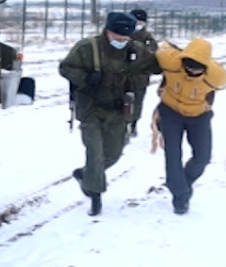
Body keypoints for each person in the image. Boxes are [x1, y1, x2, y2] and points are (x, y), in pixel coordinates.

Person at [59, 11, 159, 216]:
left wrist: (178, 61)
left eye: (125, 39)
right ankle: (95, 196)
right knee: (95, 152)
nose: (121, 42)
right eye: (117, 38)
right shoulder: (88, 48)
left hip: (119, 109)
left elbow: (155, 65)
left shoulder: (136, 49)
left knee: (113, 154)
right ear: (107, 31)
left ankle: (85, 175)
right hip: (91, 108)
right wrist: (86, 78)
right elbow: (65, 68)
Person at [155, 37, 226, 215]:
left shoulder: (216, 77)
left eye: (197, 68)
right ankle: (180, 198)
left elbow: (224, 83)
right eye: (188, 65)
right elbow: (162, 50)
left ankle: (183, 181)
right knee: (173, 155)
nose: (191, 70)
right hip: (170, 113)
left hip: (199, 118)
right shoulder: (171, 63)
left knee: (203, 157)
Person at [129, 8, 159, 138]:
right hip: (120, 76)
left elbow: (154, 56)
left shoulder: (148, 38)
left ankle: (133, 125)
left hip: (140, 78)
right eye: (135, 21)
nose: (137, 24)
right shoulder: (122, 34)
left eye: (140, 22)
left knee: (137, 103)